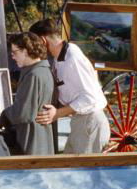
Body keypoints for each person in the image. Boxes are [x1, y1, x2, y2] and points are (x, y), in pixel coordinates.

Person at [29, 19, 110, 153]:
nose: (34, 49)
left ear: (43, 41)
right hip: (81, 122)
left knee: (82, 173)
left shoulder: (72, 58)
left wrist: (57, 114)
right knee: (68, 168)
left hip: (89, 122)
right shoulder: (60, 55)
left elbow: (90, 98)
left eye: (34, 44)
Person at [0, 32, 55, 155]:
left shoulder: (33, 75)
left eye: (14, 52)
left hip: (31, 142)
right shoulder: (43, 71)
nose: (12, 56)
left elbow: (22, 113)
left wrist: (3, 117)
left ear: (25, 51)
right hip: (41, 139)